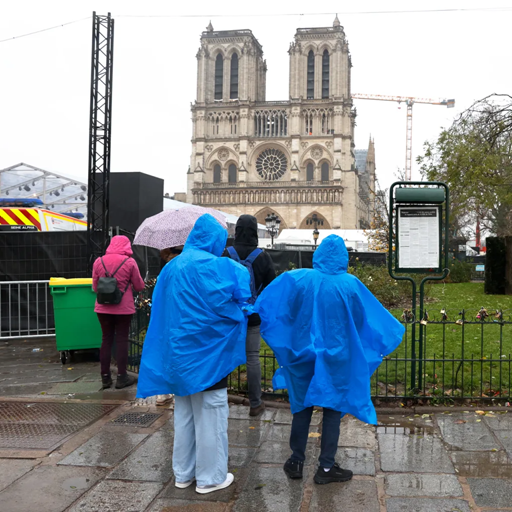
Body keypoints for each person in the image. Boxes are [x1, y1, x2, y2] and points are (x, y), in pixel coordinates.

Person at [255, 235, 404, 484]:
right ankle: (325, 468)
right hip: (337, 355)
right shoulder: (351, 285)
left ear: (319, 254)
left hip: (302, 352)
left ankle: (296, 460)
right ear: (343, 257)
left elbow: (278, 306)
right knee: (333, 407)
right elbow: (365, 318)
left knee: (302, 406)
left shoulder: (300, 279)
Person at [136, 214, 251, 494]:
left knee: (184, 416)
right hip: (209, 357)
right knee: (211, 417)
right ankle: (211, 478)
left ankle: (183, 474)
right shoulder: (221, 267)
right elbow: (240, 297)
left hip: (178, 357)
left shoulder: (171, 268)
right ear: (216, 240)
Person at [226, 214, 276, 416]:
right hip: (252, 315)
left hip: (229, 315)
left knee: (223, 354)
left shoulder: (226, 254)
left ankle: (220, 398)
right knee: (253, 357)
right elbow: (272, 288)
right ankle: (255, 403)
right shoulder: (262, 256)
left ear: (236, 231)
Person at [92, 235, 145, 389]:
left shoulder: (99, 261)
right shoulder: (129, 262)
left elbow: (95, 287)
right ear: (126, 246)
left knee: (106, 340)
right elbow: (139, 286)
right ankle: (122, 377)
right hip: (123, 308)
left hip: (102, 308)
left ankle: (105, 377)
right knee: (122, 339)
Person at [155, 245, 184, 407]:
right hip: (180, 315)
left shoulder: (165, 265)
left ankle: (162, 393)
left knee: (165, 350)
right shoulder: (184, 263)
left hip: (165, 313)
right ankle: (177, 387)